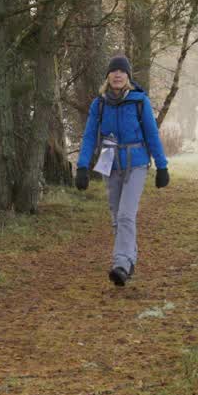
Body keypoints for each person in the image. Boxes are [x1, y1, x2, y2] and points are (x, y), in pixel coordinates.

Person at [74, 55, 169, 286]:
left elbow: (151, 134)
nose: (117, 75)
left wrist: (162, 166)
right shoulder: (100, 103)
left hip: (135, 163)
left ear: (128, 77)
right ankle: (128, 259)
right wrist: (82, 166)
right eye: (114, 71)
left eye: (122, 71)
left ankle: (121, 264)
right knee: (117, 218)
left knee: (126, 215)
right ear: (108, 76)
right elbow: (89, 137)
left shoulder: (139, 102)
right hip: (110, 162)